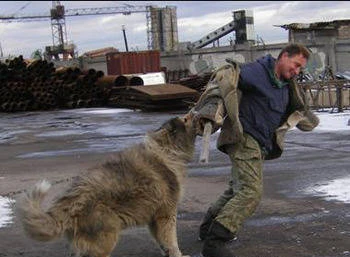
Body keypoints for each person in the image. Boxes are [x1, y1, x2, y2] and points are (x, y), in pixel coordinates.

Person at [191, 43, 320, 257]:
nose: (297, 71)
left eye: (300, 69)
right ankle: (215, 243)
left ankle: (207, 229)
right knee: (251, 192)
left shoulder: (287, 85)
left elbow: (295, 109)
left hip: (261, 144)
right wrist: (210, 109)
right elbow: (223, 80)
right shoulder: (255, 73)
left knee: (237, 189)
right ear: (284, 56)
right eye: (296, 65)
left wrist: (304, 116)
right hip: (244, 138)